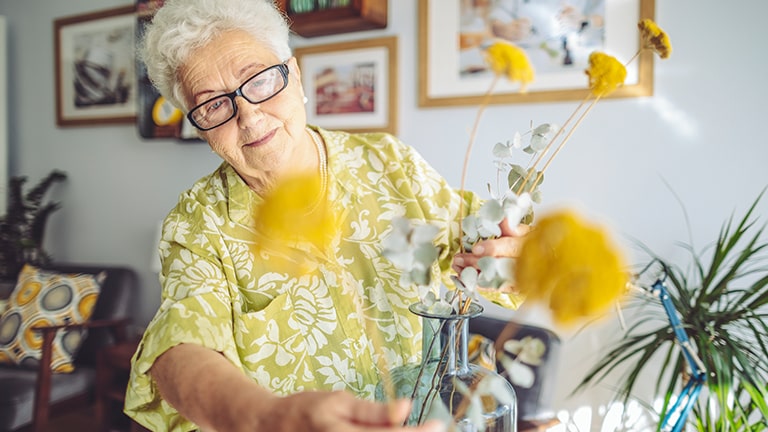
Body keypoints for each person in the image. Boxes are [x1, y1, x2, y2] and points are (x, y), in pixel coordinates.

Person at [124, 0, 529, 431]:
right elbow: (179, 348)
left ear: (294, 75)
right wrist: (265, 417)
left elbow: (490, 243)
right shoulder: (197, 222)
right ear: (199, 125)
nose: (247, 114)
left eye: (258, 81)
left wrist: (512, 258)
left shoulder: (391, 164)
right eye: (212, 106)